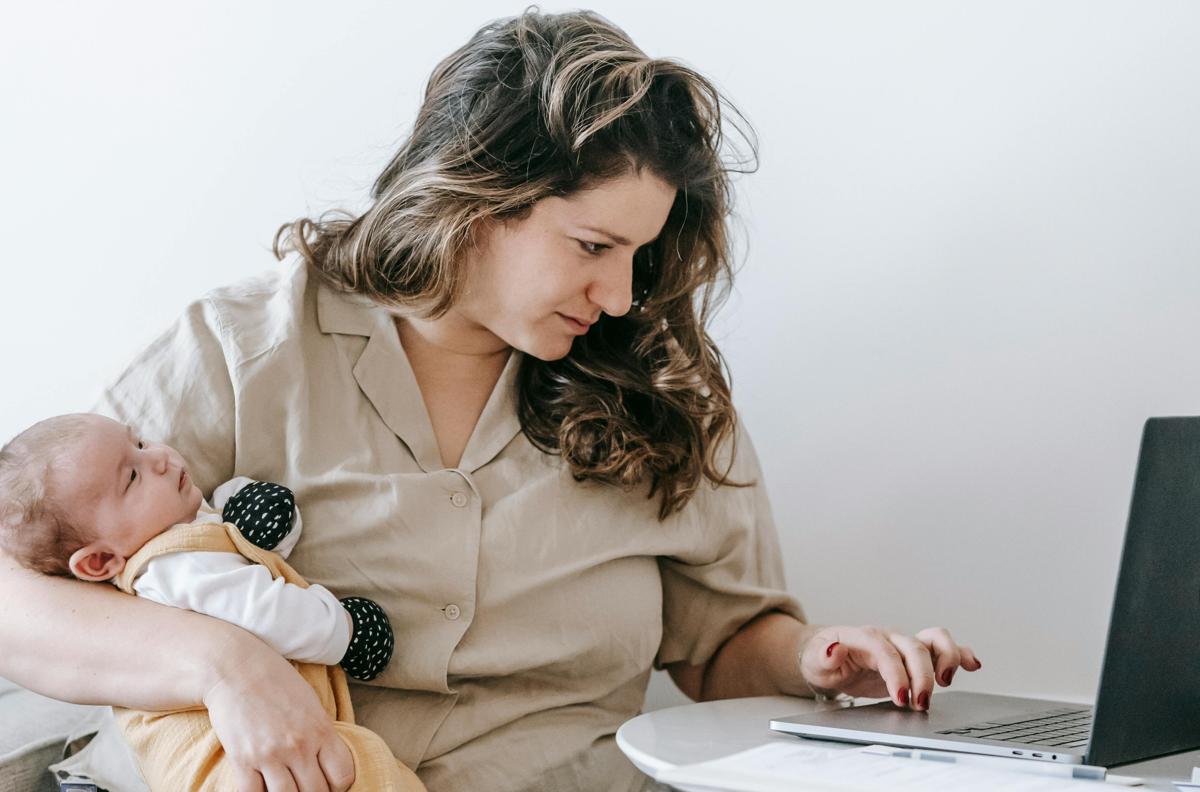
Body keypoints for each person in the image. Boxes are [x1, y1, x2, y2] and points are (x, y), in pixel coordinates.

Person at [0, 8, 981, 792]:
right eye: (594, 247)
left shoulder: (665, 388)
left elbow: (721, 643)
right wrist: (220, 662)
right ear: (472, 198)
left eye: (641, 254)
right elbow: (15, 591)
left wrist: (820, 659)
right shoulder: (243, 348)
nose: (623, 296)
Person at [0, 413, 425, 791]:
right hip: (223, 761)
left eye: (141, 443)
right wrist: (343, 630)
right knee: (364, 770)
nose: (159, 458)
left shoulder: (178, 536)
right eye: (131, 477)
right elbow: (269, 613)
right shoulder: (174, 568)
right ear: (99, 560)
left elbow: (239, 545)